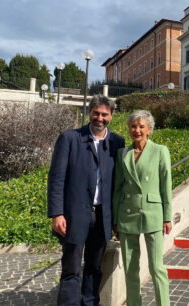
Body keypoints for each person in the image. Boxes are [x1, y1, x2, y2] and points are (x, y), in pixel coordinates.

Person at [47, 95, 125, 306]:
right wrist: (57, 213)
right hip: (74, 215)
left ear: (111, 116)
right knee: (71, 269)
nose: (100, 118)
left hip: (102, 216)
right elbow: (56, 178)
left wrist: (118, 218)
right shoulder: (70, 138)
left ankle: (90, 302)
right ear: (89, 113)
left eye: (104, 114)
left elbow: (120, 184)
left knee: (94, 267)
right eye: (96, 113)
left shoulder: (118, 142)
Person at [113, 110, 172, 306]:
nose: (136, 130)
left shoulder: (160, 151)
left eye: (141, 126)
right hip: (127, 214)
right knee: (130, 268)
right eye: (133, 126)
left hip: (153, 214)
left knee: (157, 267)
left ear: (149, 129)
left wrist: (167, 217)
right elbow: (118, 189)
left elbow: (166, 186)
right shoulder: (123, 153)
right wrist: (115, 219)